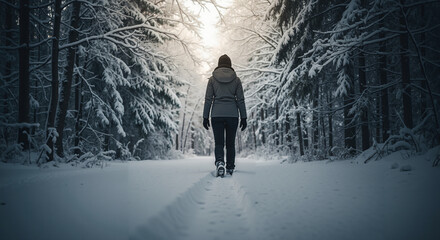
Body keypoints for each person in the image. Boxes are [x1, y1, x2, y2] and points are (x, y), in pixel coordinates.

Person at [203, 54, 247, 177]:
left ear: (219, 64)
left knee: (219, 143)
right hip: (233, 115)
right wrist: (244, 117)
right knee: (230, 143)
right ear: (230, 64)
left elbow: (208, 99)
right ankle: (230, 167)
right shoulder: (236, 80)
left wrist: (205, 116)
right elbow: (240, 100)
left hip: (216, 115)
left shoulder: (212, 79)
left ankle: (220, 162)